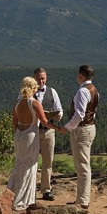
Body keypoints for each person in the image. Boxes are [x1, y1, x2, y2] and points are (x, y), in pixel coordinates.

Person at [53, 65, 99, 210]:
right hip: (90, 127)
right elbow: (93, 111)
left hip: (82, 130)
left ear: (80, 75)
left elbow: (79, 115)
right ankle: (81, 198)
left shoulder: (82, 92)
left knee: (82, 166)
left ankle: (83, 200)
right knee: (83, 164)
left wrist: (66, 127)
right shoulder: (95, 91)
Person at [7, 76, 51, 214]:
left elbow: (14, 123)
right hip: (30, 136)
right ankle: (24, 199)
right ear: (33, 88)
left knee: (19, 165)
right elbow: (44, 121)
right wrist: (58, 128)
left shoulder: (17, 103)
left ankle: (12, 194)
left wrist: (18, 134)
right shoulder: (35, 103)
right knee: (30, 167)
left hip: (19, 135)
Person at [32, 67, 63, 202]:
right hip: (32, 131)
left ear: (46, 78)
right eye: (39, 78)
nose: (41, 81)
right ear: (34, 78)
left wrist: (57, 116)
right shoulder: (27, 93)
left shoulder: (52, 92)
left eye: (43, 78)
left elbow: (59, 110)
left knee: (47, 162)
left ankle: (46, 189)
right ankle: (30, 189)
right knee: (31, 162)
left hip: (48, 131)